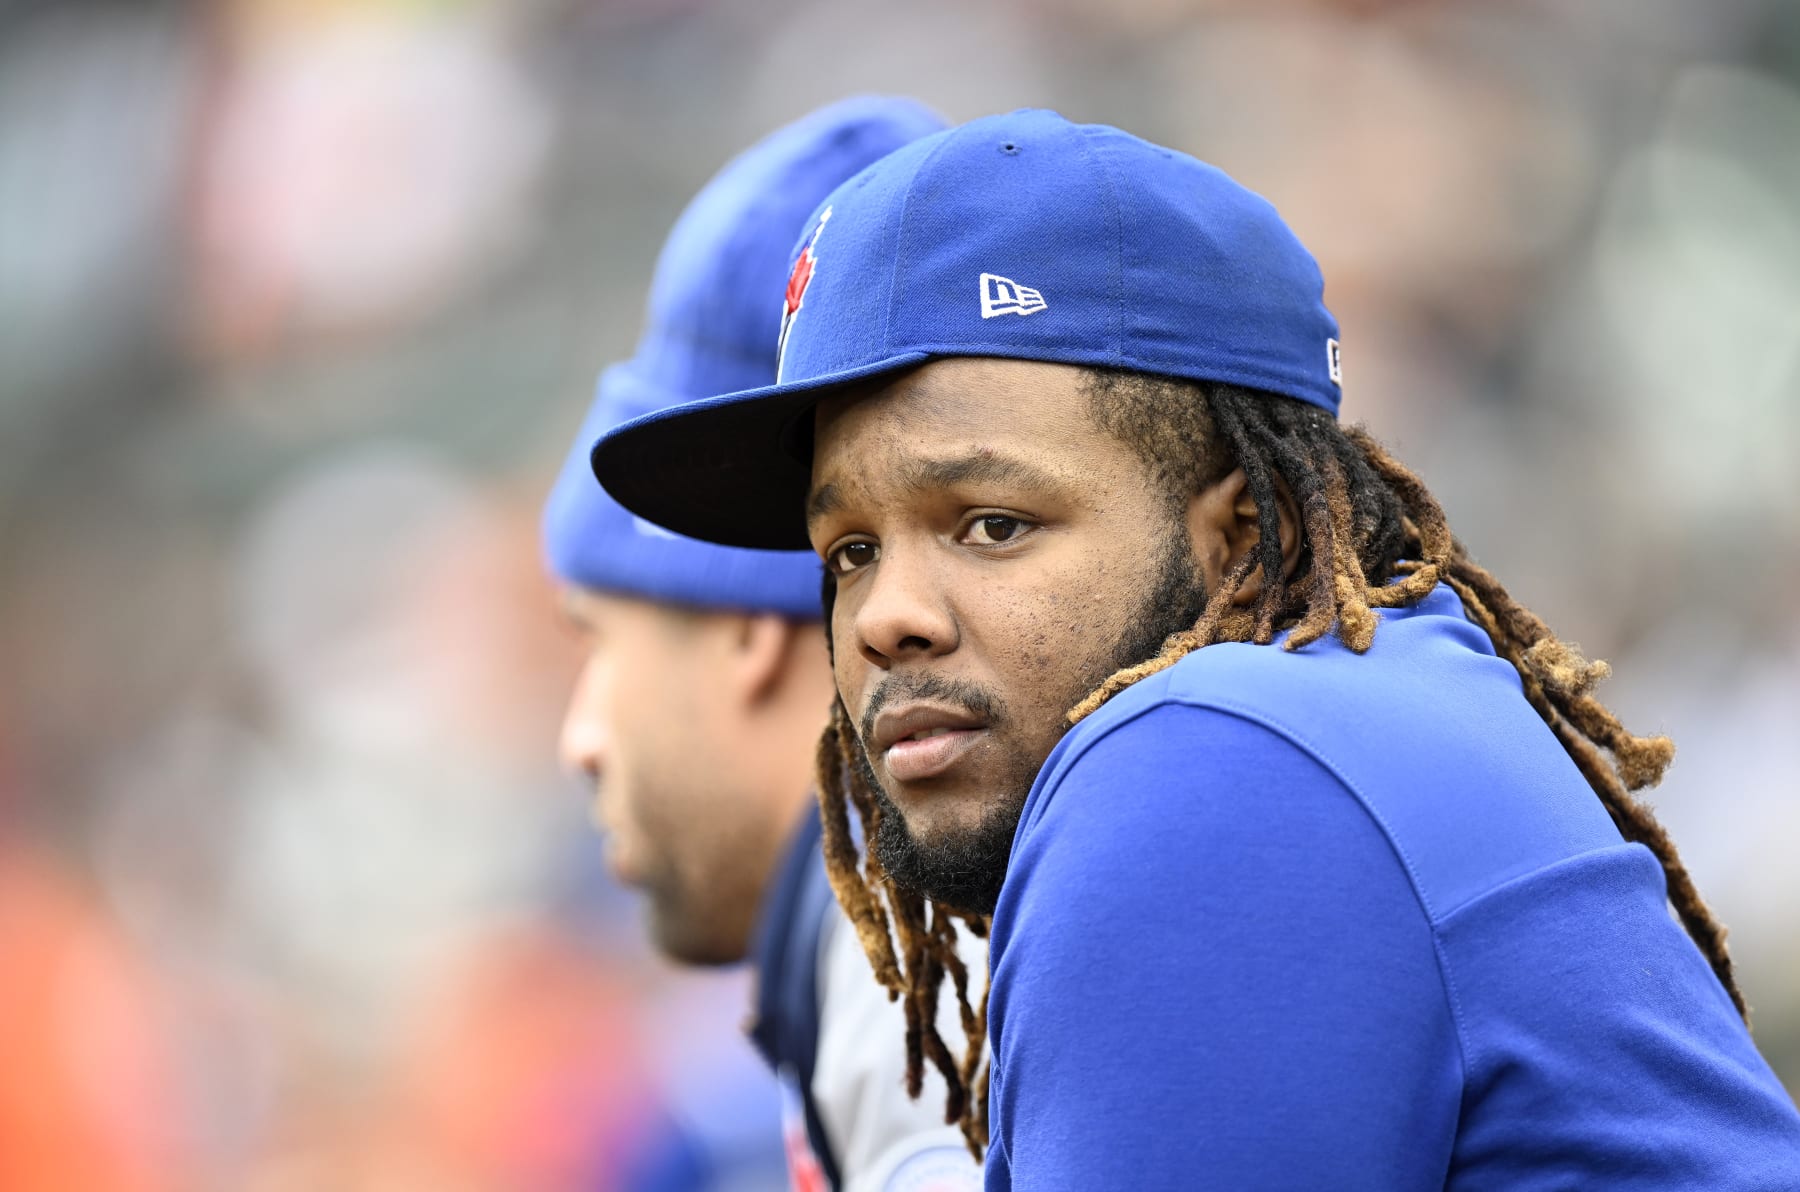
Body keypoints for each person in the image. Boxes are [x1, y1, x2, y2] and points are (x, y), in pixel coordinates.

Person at [590, 109, 1800, 1188]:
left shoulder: (1211, 765)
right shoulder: (1357, 716)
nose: (881, 615)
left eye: (993, 524)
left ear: (1242, 535)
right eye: (848, 549)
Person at [543, 97, 982, 1191]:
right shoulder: (888, 966)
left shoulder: (928, 1016)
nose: (580, 736)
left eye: (598, 641)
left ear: (747, 621)